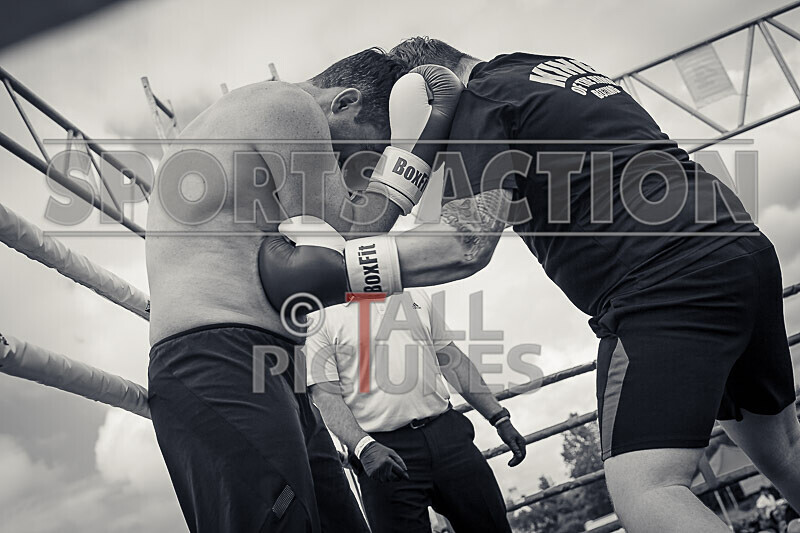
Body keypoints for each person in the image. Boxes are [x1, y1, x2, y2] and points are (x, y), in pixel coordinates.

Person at [258, 38, 800, 533]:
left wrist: (336, 269)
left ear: (418, 98)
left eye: (361, 146)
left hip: (663, 284)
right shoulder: (544, 70)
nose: (361, 163)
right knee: (783, 450)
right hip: (738, 253)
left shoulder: (480, 103)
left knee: (649, 492)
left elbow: (465, 245)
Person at [146, 47, 462, 532]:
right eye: (366, 147)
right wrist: (423, 144)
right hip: (217, 361)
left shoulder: (237, 119)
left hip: (263, 362)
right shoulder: (290, 106)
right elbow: (359, 224)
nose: (351, 163)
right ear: (345, 102)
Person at [304, 289, 526, 532]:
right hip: (381, 451)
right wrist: (363, 447)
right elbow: (325, 395)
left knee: (491, 526)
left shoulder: (413, 294)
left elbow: (451, 358)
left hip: (448, 435)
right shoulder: (318, 315)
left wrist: (499, 417)